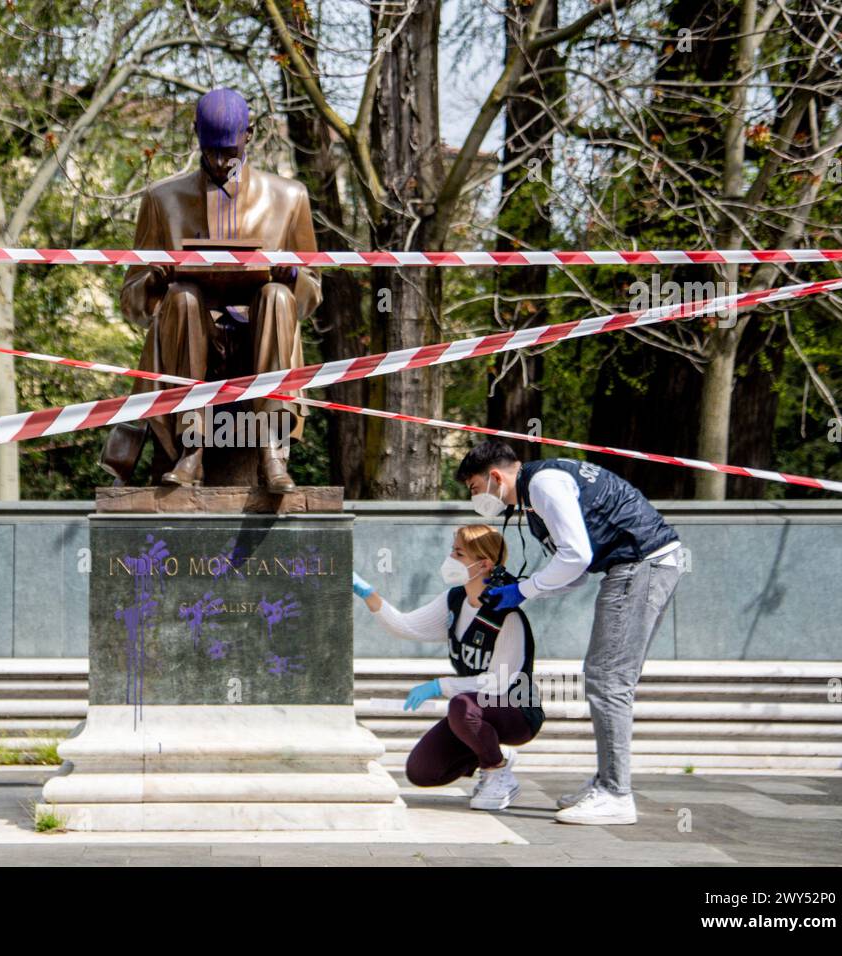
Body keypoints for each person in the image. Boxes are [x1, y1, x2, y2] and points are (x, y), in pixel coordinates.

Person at [455, 440, 686, 825]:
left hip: (641, 565)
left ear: (495, 476)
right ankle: (607, 782)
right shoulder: (535, 491)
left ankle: (616, 794)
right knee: (607, 677)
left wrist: (522, 590)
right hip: (640, 565)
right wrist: (522, 592)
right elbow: (575, 570)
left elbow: (575, 557)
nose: (475, 498)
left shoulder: (543, 485)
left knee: (608, 679)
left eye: (475, 488)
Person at [104, 87, 322, 492]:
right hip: (188, 336)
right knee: (184, 295)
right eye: (212, 152)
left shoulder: (290, 198)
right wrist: (157, 277)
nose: (221, 163)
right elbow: (131, 302)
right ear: (196, 137)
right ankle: (192, 449)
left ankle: (272, 451)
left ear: (250, 135)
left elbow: (311, 295)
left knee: (276, 296)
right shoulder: (161, 199)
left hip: (260, 332)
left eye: (229, 151)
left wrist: (290, 276)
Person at [352, 524, 545, 811]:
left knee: (461, 705)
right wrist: (367, 593)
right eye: (452, 550)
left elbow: (500, 682)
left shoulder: (506, 616)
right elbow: (408, 626)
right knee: (423, 771)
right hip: (473, 707)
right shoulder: (454, 600)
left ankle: (497, 771)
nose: (450, 558)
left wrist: (439, 685)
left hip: (517, 711)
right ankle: (492, 750)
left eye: (459, 553)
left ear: (484, 564)